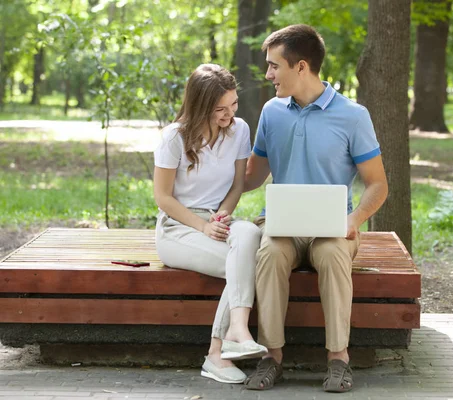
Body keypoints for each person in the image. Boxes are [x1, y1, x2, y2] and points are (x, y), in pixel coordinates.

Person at [243, 25, 388, 393]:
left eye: (274, 66)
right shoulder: (271, 112)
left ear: (301, 66)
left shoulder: (353, 115)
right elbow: (251, 178)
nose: (268, 74)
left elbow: (378, 184)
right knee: (270, 253)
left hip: (333, 228)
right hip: (283, 227)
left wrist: (353, 220)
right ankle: (271, 356)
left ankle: (338, 358)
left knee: (333, 255)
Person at [153, 64, 266, 384]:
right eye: (220, 109)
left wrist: (222, 216)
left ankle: (236, 331)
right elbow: (163, 198)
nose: (229, 114)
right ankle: (218, 351)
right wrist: (202, 226)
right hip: (179, 227)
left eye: (233, 105)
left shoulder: (240, 130)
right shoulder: (173, 138)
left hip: (218, 220)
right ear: (200, 106)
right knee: (245, 263)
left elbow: (236, 185)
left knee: (250, 232)